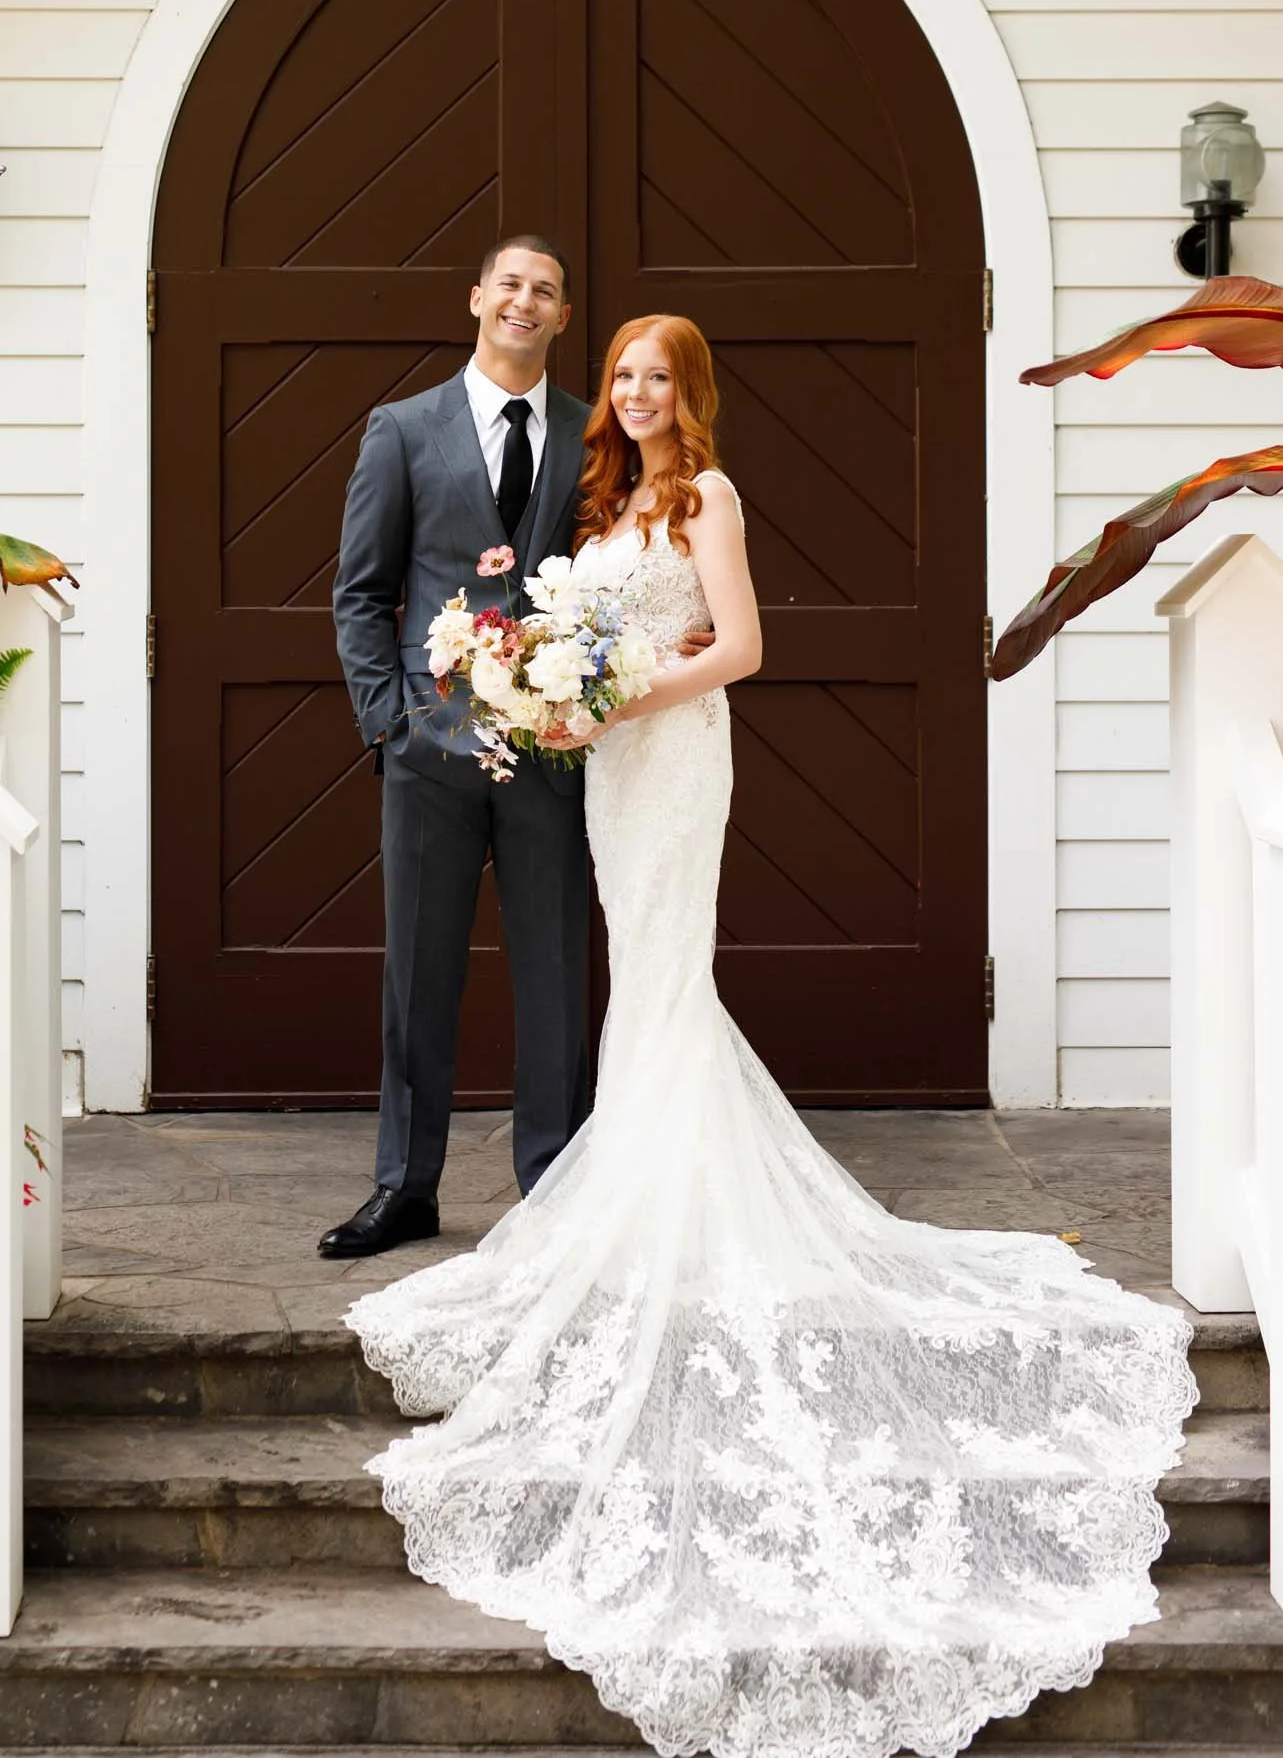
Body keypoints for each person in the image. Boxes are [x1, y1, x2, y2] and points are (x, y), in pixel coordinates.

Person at [347, 313, 1194, 1758]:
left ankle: (668, 1215)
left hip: (671, 758)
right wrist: (557, 685)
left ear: (691, 392)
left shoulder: (709, 498)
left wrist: (621, 691)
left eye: (652, 377)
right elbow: (580, 625)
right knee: (647, 995)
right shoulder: (605, 501)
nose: (630, 394)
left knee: (668, 986)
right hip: (612, 769)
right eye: (617, 377)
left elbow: (740, 645)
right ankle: (637, 1200)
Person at [322, 238, 592, 1260]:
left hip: (551, 746)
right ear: (477, 297)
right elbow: (359, 591)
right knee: (418, 970)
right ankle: (403, 1185)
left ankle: (556, 1182)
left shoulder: (585, 432)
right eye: (510, 284)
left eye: (546, 292)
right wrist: (387, 720)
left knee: (554, 967)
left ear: (561, 317)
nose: (524, 302)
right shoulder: (400, 430)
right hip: (427, 746)